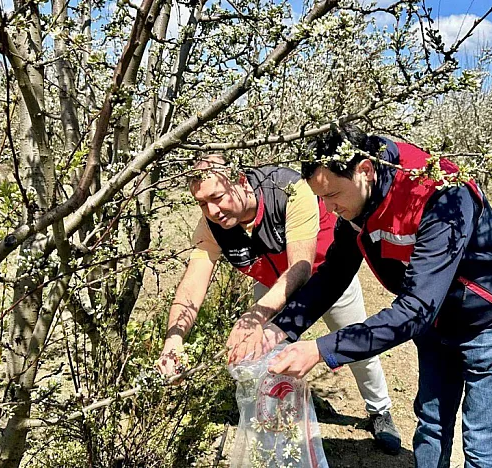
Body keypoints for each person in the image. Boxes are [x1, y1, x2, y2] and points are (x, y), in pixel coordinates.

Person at [258, 125, 492, 467]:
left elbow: (416, 308)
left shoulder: (441, 193)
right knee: (432, 423)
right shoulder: (359, 199)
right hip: (437, 319)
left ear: (364, 170)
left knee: (482, 446)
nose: (328, 209)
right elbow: (334, 272)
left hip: (491, 316)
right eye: (322, 199)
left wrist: (322, 349)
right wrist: (283, 327)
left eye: (332, 196)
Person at [156, 154, 401, 454]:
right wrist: (174, 340)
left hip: (326, 278)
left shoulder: (288, 189)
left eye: (217, 197)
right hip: (271, 287)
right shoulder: (212, 224)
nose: (212, 210)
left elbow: (300, 266)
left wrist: (254, 317)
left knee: (356, 346)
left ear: (240, 181)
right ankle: (273, 422)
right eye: (202, 203)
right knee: (263, 358)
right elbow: (193, 283)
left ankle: (379, 410)